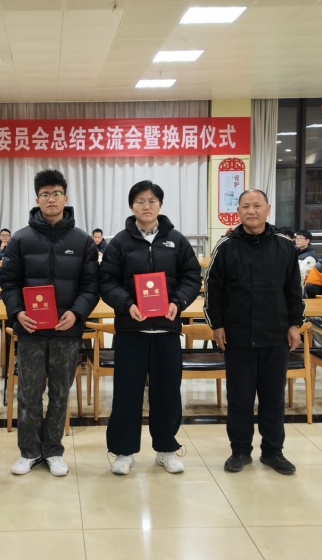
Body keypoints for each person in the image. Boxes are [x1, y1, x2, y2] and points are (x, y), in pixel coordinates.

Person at [0, 169, 99, 477]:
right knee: (28, 394)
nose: (51, 199)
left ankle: (54, 450)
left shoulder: (82, 241)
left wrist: (77, 313)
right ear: (37, 199)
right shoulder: (20, 239)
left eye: (56, 193)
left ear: (65, 198)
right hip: (31, 330)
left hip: (66, 331)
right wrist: (17, 312)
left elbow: (91, 285)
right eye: (45, 194)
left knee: (59, 393)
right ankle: (29, 451)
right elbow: (9, 282)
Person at [99, 181, 202, 476]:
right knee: (126, 394)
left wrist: (178, 302)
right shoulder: (120, 242)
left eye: (152, 200)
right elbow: (107, 281)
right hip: (131, 331)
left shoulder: (176, 240)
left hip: (167, 331)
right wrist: (126, 304)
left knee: (167, 393)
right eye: (141, 201)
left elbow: (192, 276)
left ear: (160, 205)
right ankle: (123, 452)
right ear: (132, 206)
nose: (147, 206)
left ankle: (166, 449)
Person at [204, 189, 305, 476]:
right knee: (240, 398)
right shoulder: (226, 246)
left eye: (257, 205)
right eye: (246, 206)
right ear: (238, 211)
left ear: (268, 209)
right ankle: (240, 450)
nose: (251, 211)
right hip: (237, 336)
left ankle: (273, 451)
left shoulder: (285, 246)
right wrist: (217, 325)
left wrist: (295, 324)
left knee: (273, 398)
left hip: (276, 335)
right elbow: (213, 289)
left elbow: (294, 290)